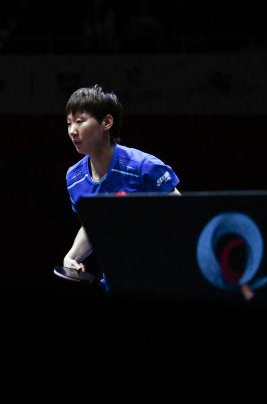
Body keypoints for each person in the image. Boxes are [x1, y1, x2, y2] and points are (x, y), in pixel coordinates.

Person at [63, 85, 180, 276]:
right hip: (115, 279)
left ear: (107, 122)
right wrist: (72, 256)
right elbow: (93, 225)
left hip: (158, 276)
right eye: (69, 123)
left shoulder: (145, 167)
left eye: (79, 121)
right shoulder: (74, 178)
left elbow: (181, 217)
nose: (72, 131)